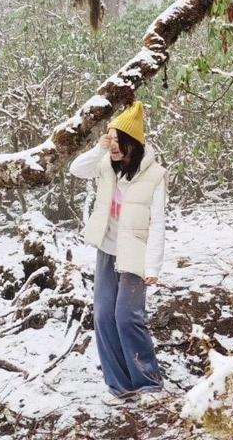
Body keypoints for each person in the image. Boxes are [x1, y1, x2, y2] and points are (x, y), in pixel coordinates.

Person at [69, 102, 166, 402]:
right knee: (103, 315)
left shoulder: (155, 176)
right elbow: (76, 169)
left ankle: (149, 383)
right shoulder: (106, 166)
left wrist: (153, 268)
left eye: (117, 140)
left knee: (127, 316)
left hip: (135, 253)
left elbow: (159, 223)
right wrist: (100, 148)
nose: (113, 145)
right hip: (107, 250)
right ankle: (120, 385)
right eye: (109, 138)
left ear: (132, 144)